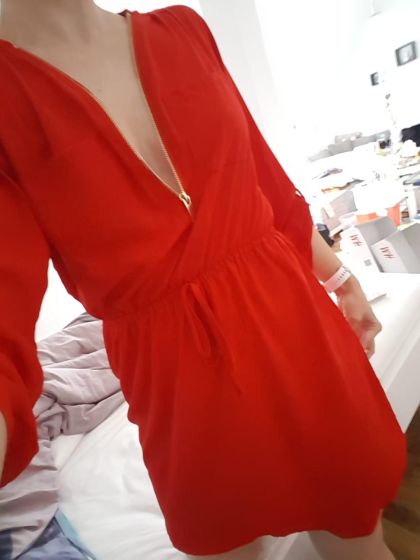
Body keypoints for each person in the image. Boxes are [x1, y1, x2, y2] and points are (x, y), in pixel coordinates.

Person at [0, 2, 406, 559]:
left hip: (298, 327)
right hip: (181, 384)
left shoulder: (183, 30)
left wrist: (339, 277)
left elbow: (265, 182)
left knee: (356, 529)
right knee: (225, 541)